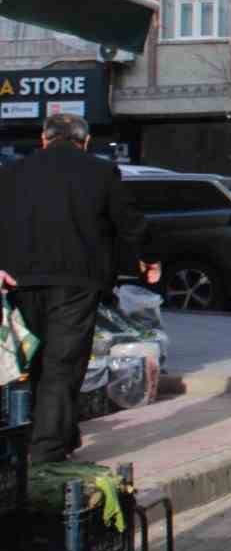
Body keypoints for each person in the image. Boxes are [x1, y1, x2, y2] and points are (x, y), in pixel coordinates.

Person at [0, 114, 160, 463]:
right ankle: (48, 449)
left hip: (21, 281)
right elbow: (130, 222)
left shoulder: (12, 172)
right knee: (63, 363)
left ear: (44, 139)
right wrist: (149, 258)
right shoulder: (100, 172)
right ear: (85, 142)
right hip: (77, 281)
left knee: (36, 360)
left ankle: (54, 434)